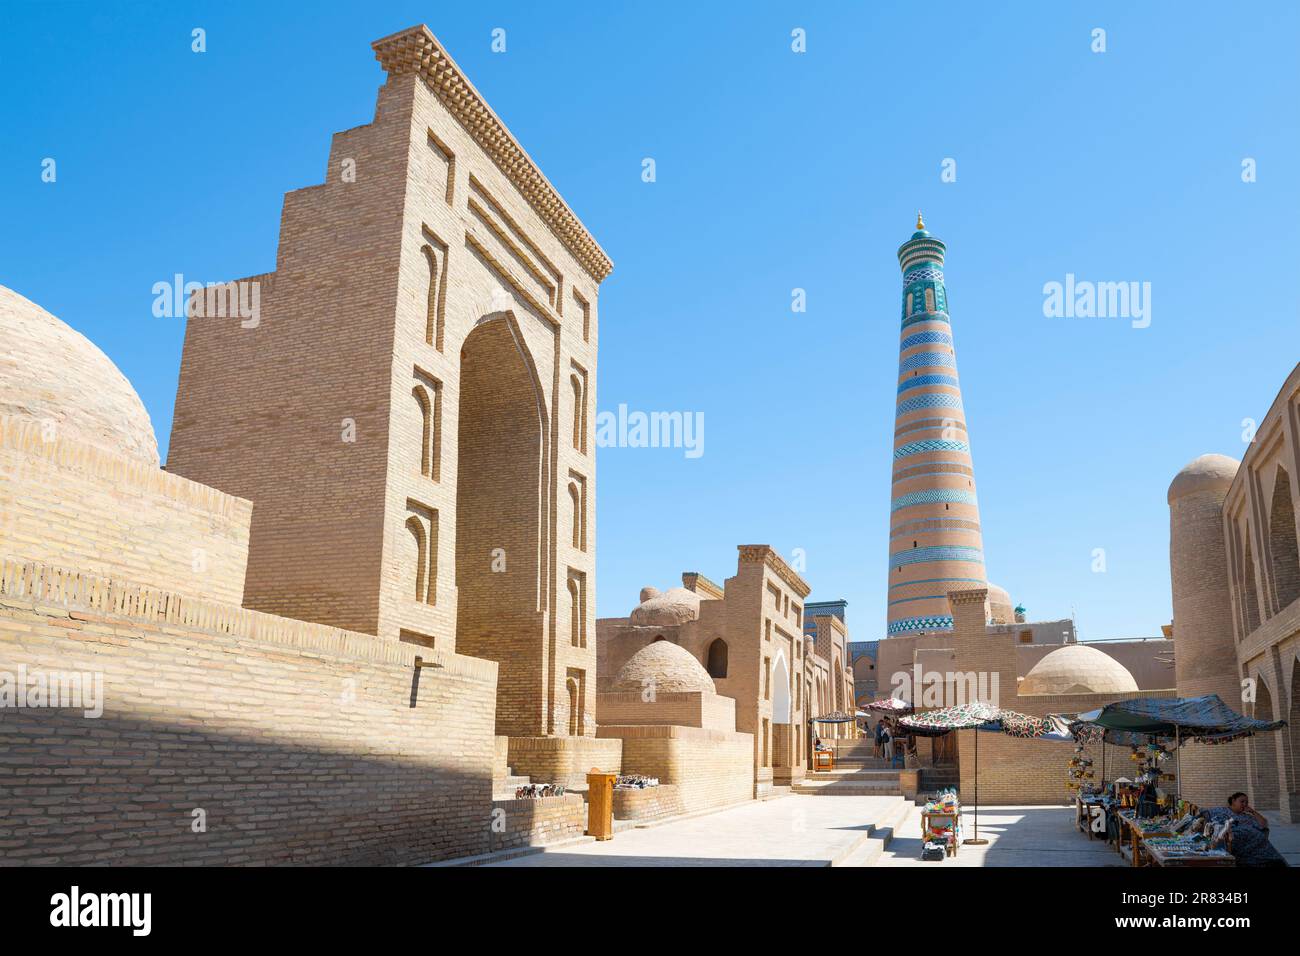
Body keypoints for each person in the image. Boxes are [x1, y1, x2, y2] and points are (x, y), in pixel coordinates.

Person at [1199, 792, 1288, 867]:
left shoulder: (1247, 817)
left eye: (1246, 802)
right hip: (1232, 842)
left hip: (1256, 846)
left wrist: (1253, 812)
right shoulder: (1220, 810)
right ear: (1233, 801)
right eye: (1242, 801)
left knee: (1275, 862)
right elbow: (1202, 813)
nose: (1245, 804)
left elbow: (1264, 825)